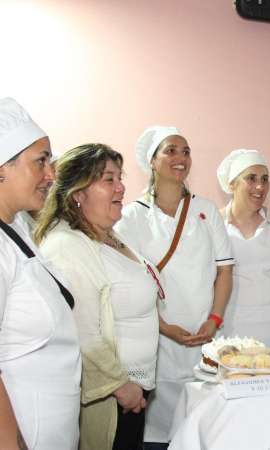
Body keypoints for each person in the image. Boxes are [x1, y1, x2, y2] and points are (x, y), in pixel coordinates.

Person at [114, 126, 234, 448]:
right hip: (157, 341)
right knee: (159, 432)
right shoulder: (131, 218)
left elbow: (224, 271)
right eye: (170, 150)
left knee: (206, 429)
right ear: (152, 161)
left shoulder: (206, 210)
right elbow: (126, 284)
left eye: (186, 151)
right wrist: (166, 328)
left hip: (207, 335)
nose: (180, 158)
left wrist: (215, 319)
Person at [35, 144, 160, 450]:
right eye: (108, 179)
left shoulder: (107, 235)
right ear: (78, 193)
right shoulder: (67, 246)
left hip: (133, 390)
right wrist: (121, 386)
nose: (121, 186)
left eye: (120, 177)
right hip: (112, 396)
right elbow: (82, 331)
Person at [0, 97, 81, 450]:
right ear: (2, 166)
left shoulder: (17, 225)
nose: (52, 174)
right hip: (25, 434)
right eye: (40, 161)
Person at [216, 149, 270, 346]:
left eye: (265, 179)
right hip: (231, 327)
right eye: (251, 178)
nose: (260, 186)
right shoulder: (215, 223)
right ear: (232, 184)